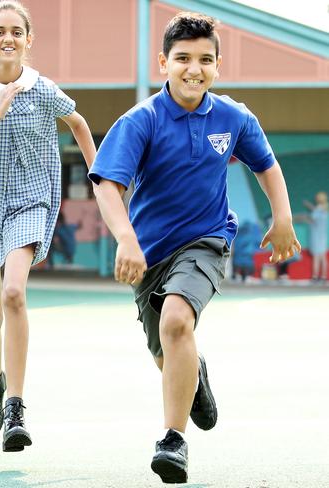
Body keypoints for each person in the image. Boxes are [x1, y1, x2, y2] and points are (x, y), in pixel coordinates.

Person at [89, 12, 300, 483]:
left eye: (205, 59)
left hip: (207, 240)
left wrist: (281, 217)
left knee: (178, 320)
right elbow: (106, 186)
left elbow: (266, 165)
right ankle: (194, 372)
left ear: (218, 65)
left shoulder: (234, 117)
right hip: (147, 254)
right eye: (182, 58)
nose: (194, 68)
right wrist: (126, 239)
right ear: (164, 62)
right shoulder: (140, 120)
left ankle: (173, 440)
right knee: (166, 348)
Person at [0, 1, 96, 452]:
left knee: (14, 293)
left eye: (17, 32)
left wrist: (101, 179)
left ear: (29, 40)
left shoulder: (41, 88)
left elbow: (79, 123)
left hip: (28, 201)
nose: (8, 38)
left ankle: (16, 406)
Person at [302, 191, 328, 282]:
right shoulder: (324, 209)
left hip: (317, 238)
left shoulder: (319, 209)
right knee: (323, 258)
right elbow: (316, 211)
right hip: (322, 237)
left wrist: (304, 218)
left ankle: (315, 276)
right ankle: (323, 277)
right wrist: (308, 205)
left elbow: (313, 218)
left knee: (317, 258)